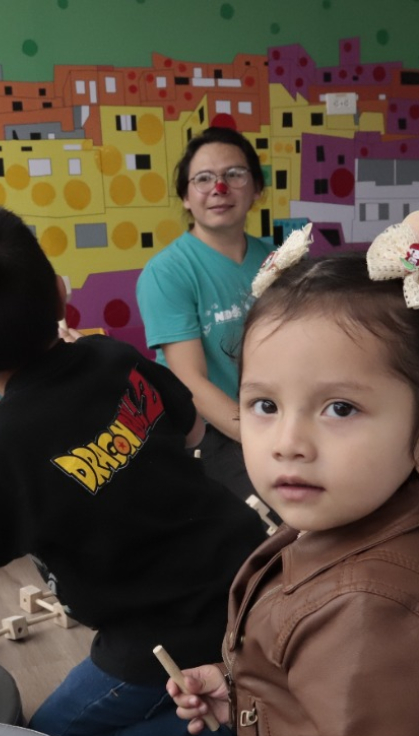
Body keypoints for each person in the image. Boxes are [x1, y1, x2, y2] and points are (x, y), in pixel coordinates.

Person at [90, 213, 419, 736]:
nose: (288, 442)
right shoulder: (342, 524)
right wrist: (248, 693)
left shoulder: (377, 608)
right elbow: (329, 689)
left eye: (339, 408)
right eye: (264, 405)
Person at [0, 203, 268, 736]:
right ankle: (244, 690)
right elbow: (191, 429)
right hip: (245, 574)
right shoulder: (111, 354)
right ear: (61, 293)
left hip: (156, 635)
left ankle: (240, 725)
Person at [136, 126, 274, 504]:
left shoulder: (279, 261)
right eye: (203, 179)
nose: (220, 188)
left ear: (256, 188)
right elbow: (189, 380)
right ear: (185, 196)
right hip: (212, 434)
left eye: (234, 174)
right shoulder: (167, 273)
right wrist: (262, 437)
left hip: (278, 421)